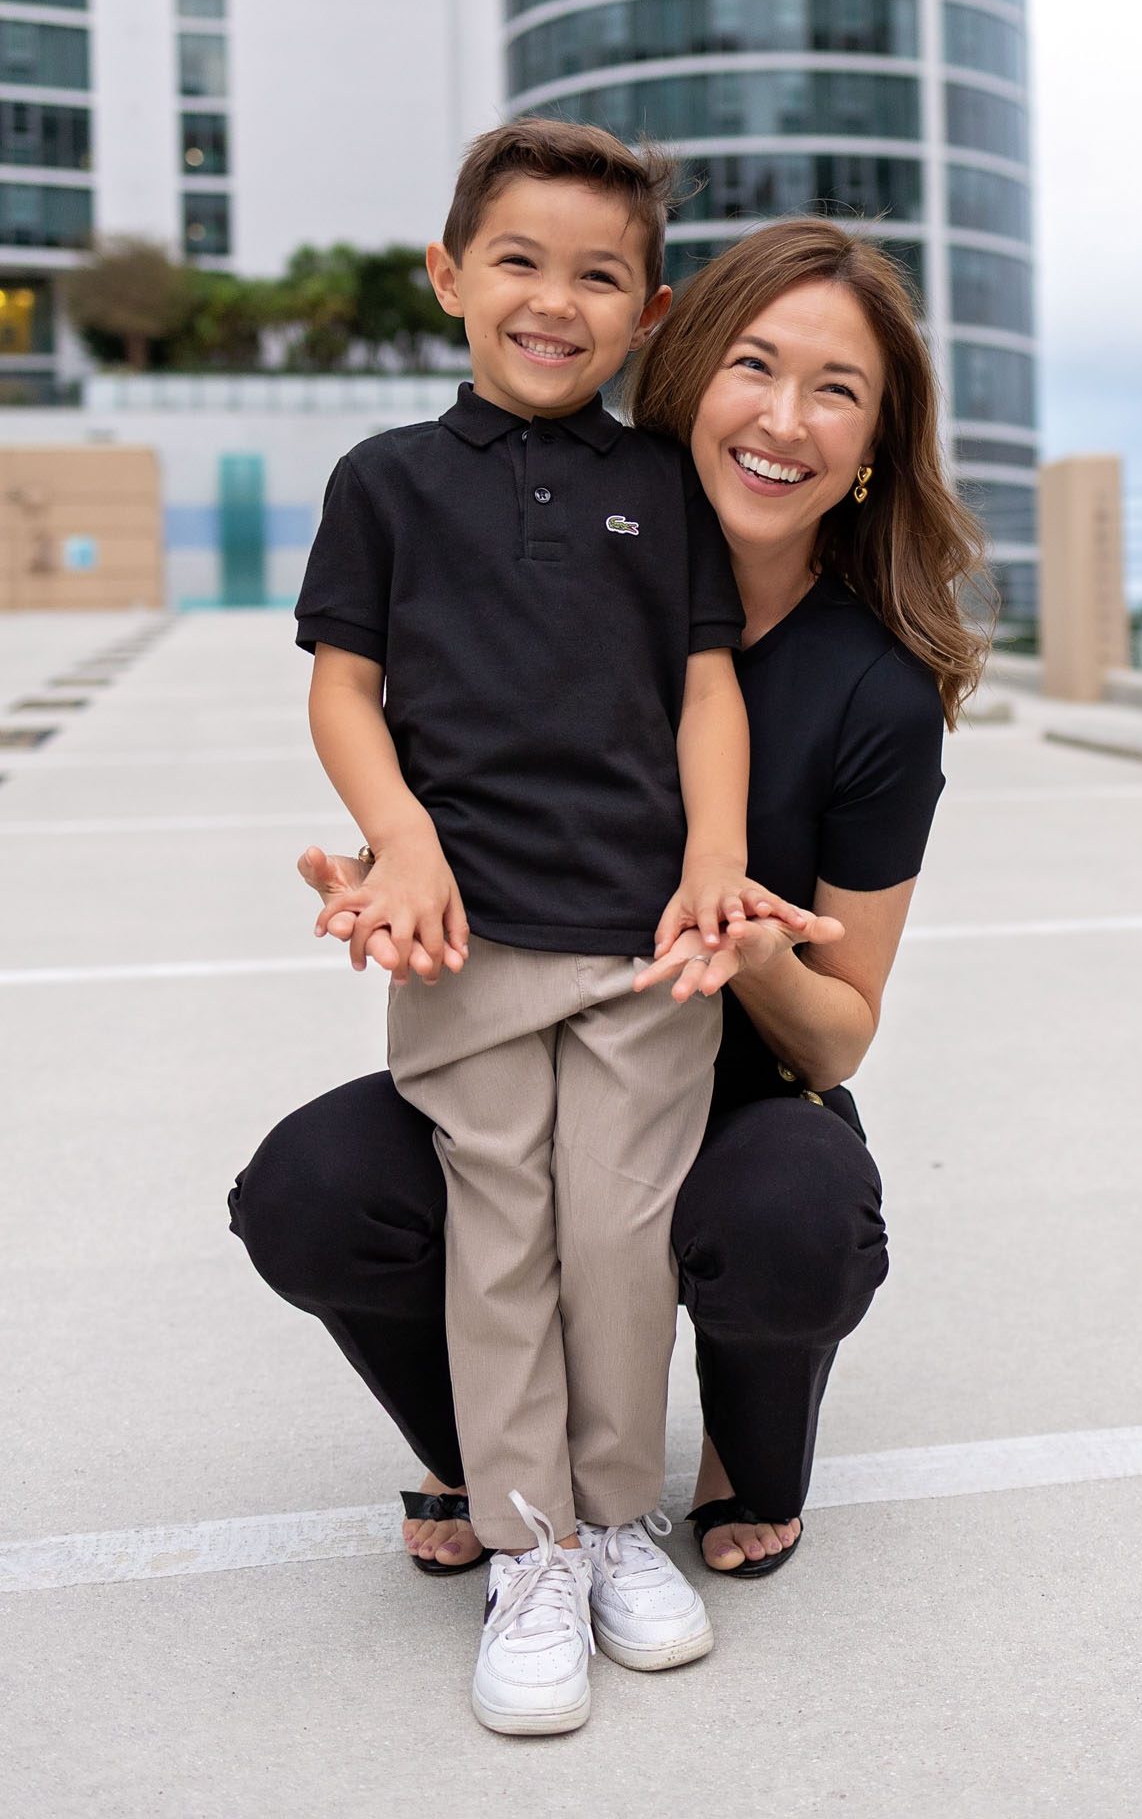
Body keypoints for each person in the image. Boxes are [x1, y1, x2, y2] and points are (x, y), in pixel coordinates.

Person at [230, 209, 988, 1683]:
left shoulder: (871, 693)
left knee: (785, 1215)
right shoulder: (555, 551)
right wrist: (391, 854)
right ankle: (509, 1489)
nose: (784, 419)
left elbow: (839, 1034)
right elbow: (393, 722)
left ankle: (720, 1471)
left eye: (837, 390)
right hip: (517, 1011)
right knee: (316, 1194)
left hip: (734, 1079)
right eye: (755, 366)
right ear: (681, 362)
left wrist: (746, 936)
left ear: (878, 441)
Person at [290, 117, 808, 1737]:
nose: (554, 299)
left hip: (647, 948)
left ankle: (618, 1519)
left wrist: (714, 852)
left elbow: (707, 688)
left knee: (618, 1239)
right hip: (465, 947)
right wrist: (402, 837)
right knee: (499, 1244)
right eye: (517, 260)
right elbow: (343, 689)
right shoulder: (381, 484)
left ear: (647, 316)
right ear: (449, 276)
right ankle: (529, 1549)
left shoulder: (664, 487)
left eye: (600, 276)